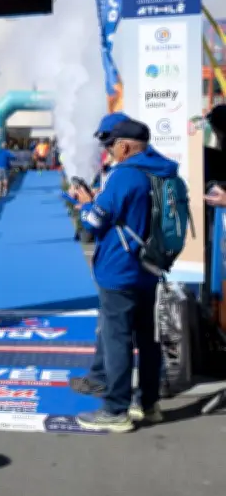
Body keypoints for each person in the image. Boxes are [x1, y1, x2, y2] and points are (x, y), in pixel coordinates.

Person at [71, 112, 172, 432]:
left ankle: (115, 410)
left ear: (126, 147)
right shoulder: (164, 171)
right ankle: (150, 404)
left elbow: (96, 222)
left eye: (112, 145)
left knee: (117, 340)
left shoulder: (124, 175)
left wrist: (87, 204)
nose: (110, 151)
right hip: (150, 266)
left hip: (120, 268)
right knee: (148, 337)